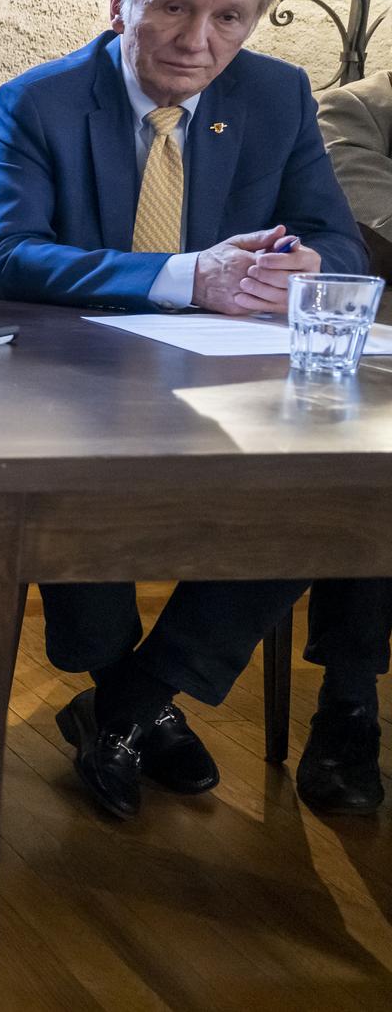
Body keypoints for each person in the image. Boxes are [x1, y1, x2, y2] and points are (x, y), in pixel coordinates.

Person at [0, 0, 367, 820]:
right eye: (174, 7)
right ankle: (129, 692)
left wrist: (307, 265)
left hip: (238, 381)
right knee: (62, 470)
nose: (198, 40)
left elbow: (341, 245)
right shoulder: (41, 99)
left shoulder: (278, 94)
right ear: (121, 2)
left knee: (324, 488)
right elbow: (3, 254)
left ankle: (134, 702)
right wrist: (190, 276)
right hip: (78, 381)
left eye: (229, 16)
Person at [299, 67, 392, 814]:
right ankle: (350, 701)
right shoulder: (357, 109)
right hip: (380, 372)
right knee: (375, 470)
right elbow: (367, 234)